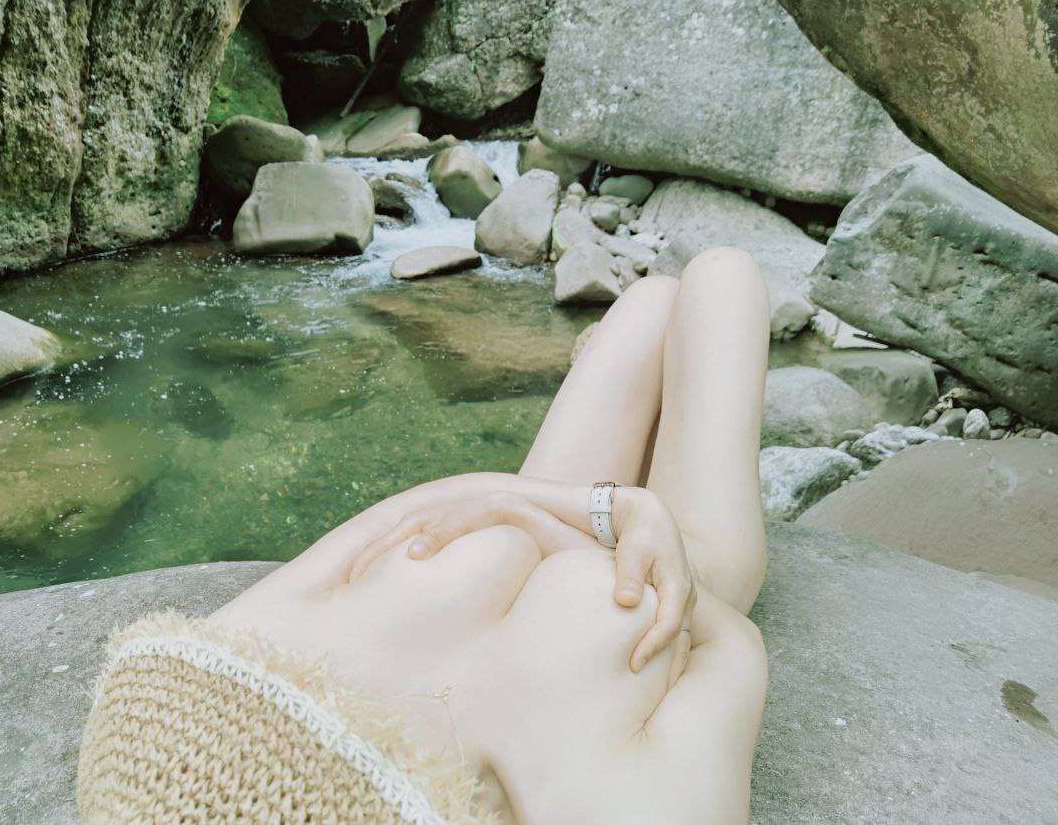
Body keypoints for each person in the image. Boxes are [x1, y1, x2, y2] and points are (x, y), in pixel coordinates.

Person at [77, 247, 772, 824]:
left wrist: (594, 508)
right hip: (689, 564)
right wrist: (619, 530)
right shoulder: (577, 799)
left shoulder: (212, 683)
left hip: (557, 504)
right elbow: (733, 649)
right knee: (724, 274)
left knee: (653, 300)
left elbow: (424, 508)